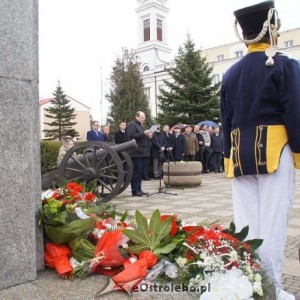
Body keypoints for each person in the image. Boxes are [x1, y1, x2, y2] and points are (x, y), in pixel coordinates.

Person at [221, 1, 300, 299]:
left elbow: (226, 120)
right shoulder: (285, 64)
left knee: (245, 226)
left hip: (240, 154)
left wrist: (228, 157)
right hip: (275, 152)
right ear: (271, 28)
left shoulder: (230, 73)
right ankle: (271, 290)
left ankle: (246, 286)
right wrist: (299, 152)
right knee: (273, 223)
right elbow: (295, 112)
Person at [127, 111, 152, 197]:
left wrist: (149, 136)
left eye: (144, 117)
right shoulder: (132, 124)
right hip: (135, 152)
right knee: (136, 172)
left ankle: (139, 189)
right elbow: (131, 136)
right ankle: (135, 191)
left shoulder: (140, 126)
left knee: (140, 172)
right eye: (142, 117)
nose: (143, 119)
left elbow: (142, 137)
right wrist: (144, 133)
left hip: (142, 152)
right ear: (137, 117)